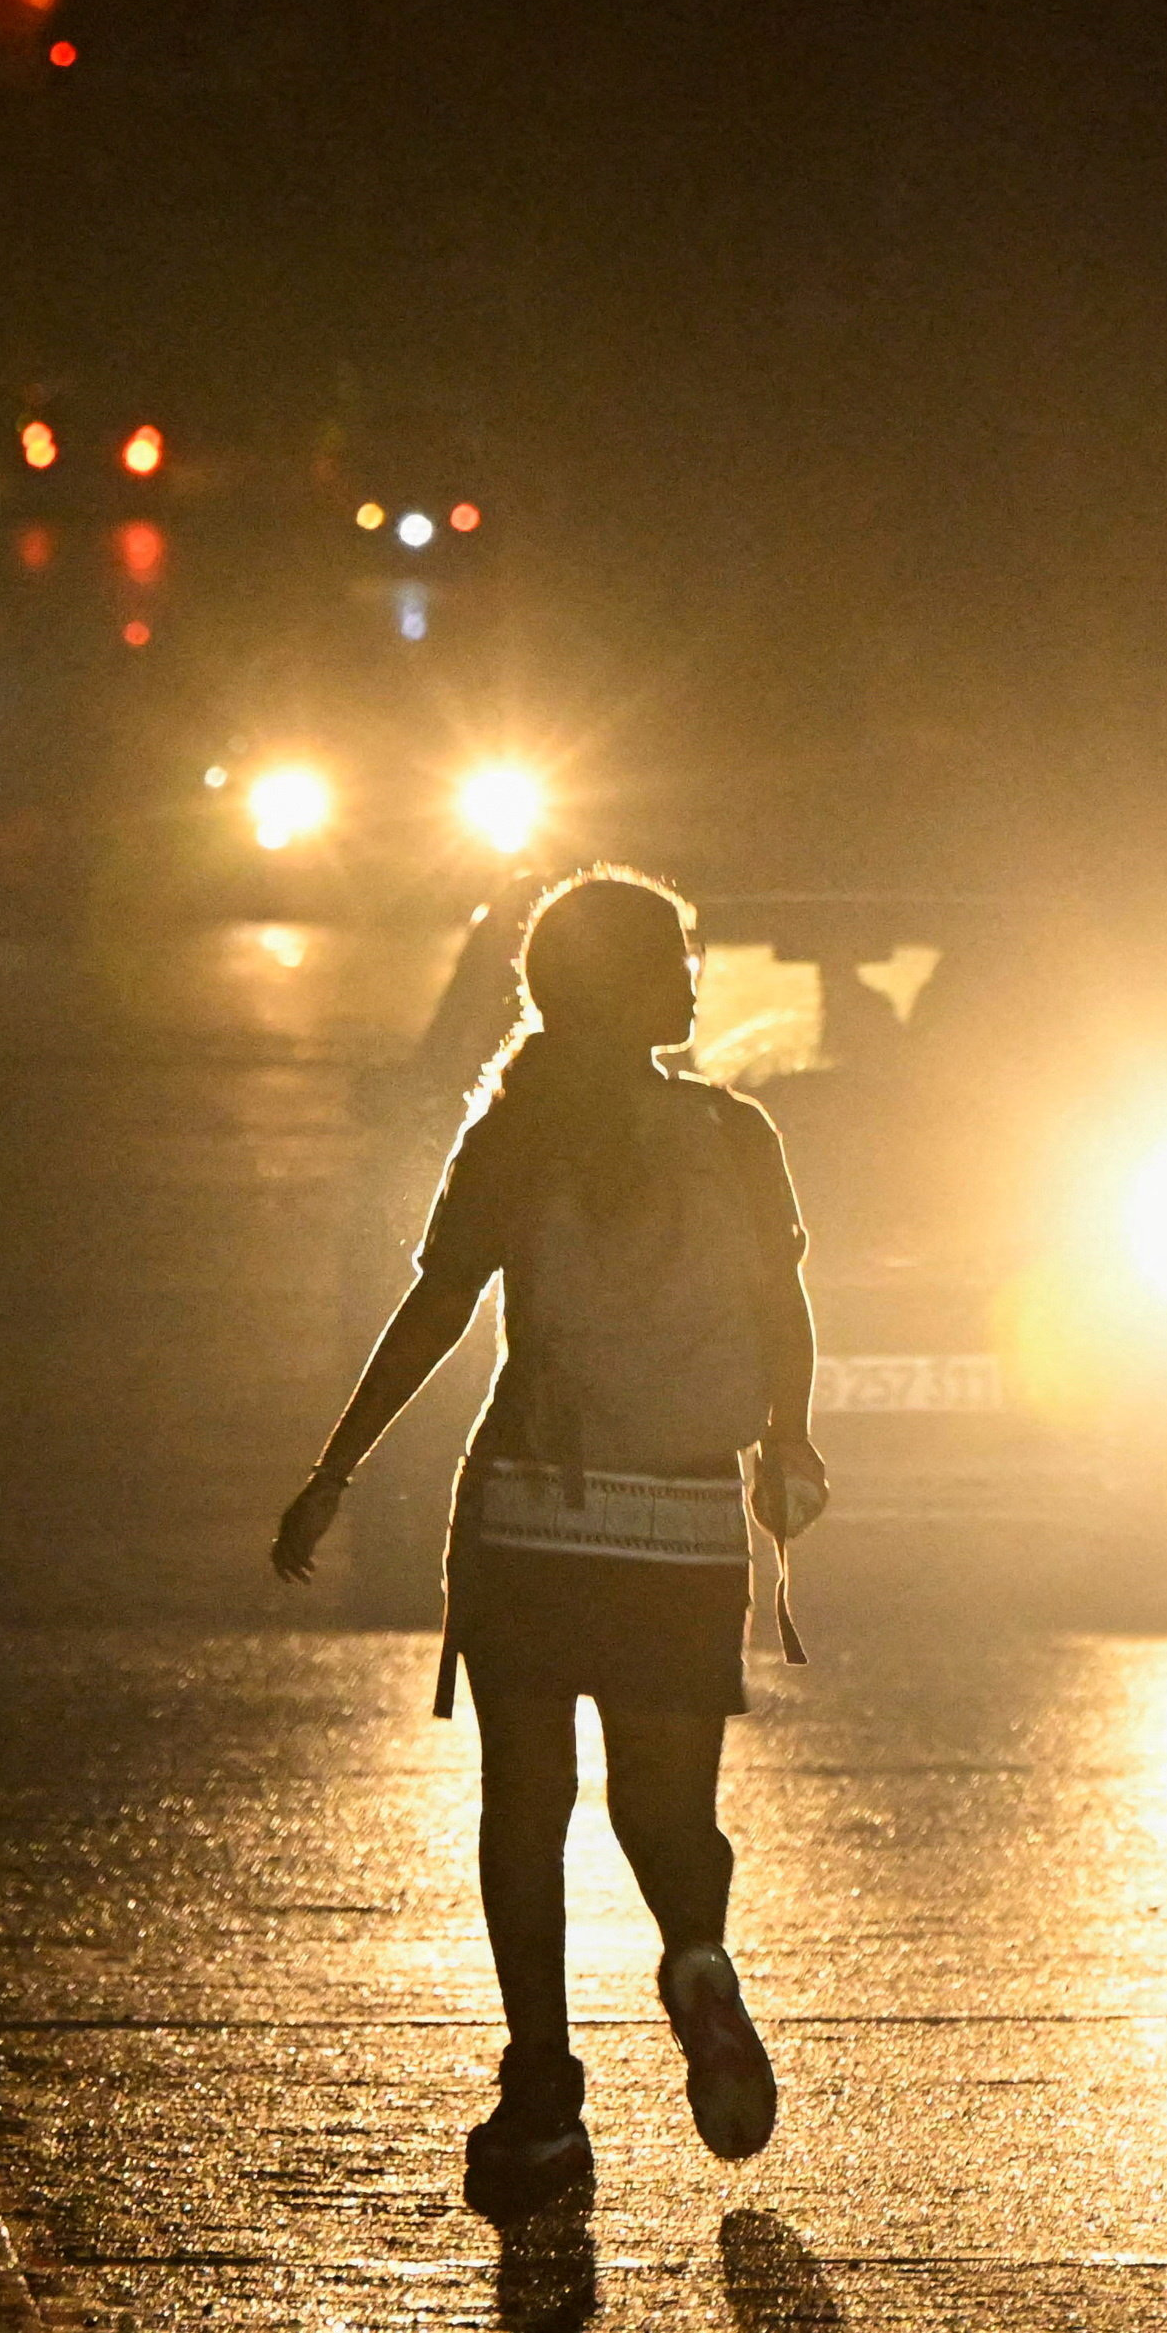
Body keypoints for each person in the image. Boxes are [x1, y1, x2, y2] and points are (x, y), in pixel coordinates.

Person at [273, 869, 823, 2216]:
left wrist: (336, 1466)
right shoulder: (737, 1134)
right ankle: (697, 1958)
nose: (697, 977)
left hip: (530, 1510)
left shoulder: (513, 1133)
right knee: (668, 1805)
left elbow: (438, 1311)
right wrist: (789, 1442)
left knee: (525, 1809)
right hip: (683, 1517)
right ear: (627, 986)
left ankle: (541, 2095)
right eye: (677, 956)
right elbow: (782, 1312)